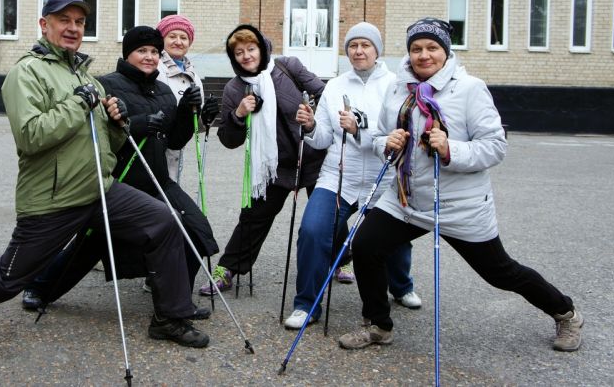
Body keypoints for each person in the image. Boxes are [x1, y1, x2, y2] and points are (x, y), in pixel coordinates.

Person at [0, 0, 209, 348]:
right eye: (64, 21)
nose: (73, 28)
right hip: (54, 197)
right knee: (7, 279)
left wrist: (118, 122)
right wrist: (79, 105)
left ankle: (170, 317)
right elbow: (31, 136)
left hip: (99, 189)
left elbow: (106, 142)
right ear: (45, 25)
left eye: (79, 22)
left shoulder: (85, 76)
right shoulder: (26, 73)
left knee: (164, 221)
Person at [338, 18, 583, 352]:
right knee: (366, 245)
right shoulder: (398, 87)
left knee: (500, 272)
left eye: (431, 48)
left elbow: (495, 147)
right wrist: (388, 142)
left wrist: (450, 147)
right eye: (416, 49)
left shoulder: (469, 89)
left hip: (459, 205)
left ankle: (564, 311)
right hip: (407, 199)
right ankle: (379, 325)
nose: (424, 55)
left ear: (445, 51)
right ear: (408, 54)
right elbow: (381, 135)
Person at [21, 25, 219, 312]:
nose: (149, 56)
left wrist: (192, 114)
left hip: (158, 180)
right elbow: (95, 132)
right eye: (142, 51)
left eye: (153, 51)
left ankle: (176, 303)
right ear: (128, 54)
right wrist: (137, 124)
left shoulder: (164, 91)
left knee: (195, 232)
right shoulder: (107, 85)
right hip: (120, 182)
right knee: (90, 245)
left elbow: (175, 139)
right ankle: (39, 287)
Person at [283, 23, 420, 330]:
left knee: (392, 239)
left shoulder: (396, 85)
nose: (359, 51)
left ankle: (401, 287)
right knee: (313, 231)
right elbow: (322, 139)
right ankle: (307, 304)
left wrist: (360, 130)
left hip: (381, 178)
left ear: (377, 50)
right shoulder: (334, 86)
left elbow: (399, 137)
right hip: (338, 175)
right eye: (353, 46)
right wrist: (308, 126)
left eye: (365, 45)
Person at [198, 24, 326, 296]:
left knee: (325, 215)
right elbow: (229, 139)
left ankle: (344, 258)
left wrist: (313, 111)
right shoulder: (235, 89)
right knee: (253, 218)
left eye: (251, 48)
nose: (246, 56)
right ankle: (227, 269)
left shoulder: (287, 67)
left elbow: (324, 92)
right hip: (273, 168)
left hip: (312, 158)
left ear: (262, 48)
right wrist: (238, 115)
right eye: (239, 52)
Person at [155, 14, 220, 182]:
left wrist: (206, 118)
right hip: (154, 149)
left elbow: (195, 127)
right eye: (172, 36)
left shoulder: (193, 77)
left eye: (184, 37)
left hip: (176, 155)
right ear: (162, 39)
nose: (178, 41)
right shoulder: (154, 67)